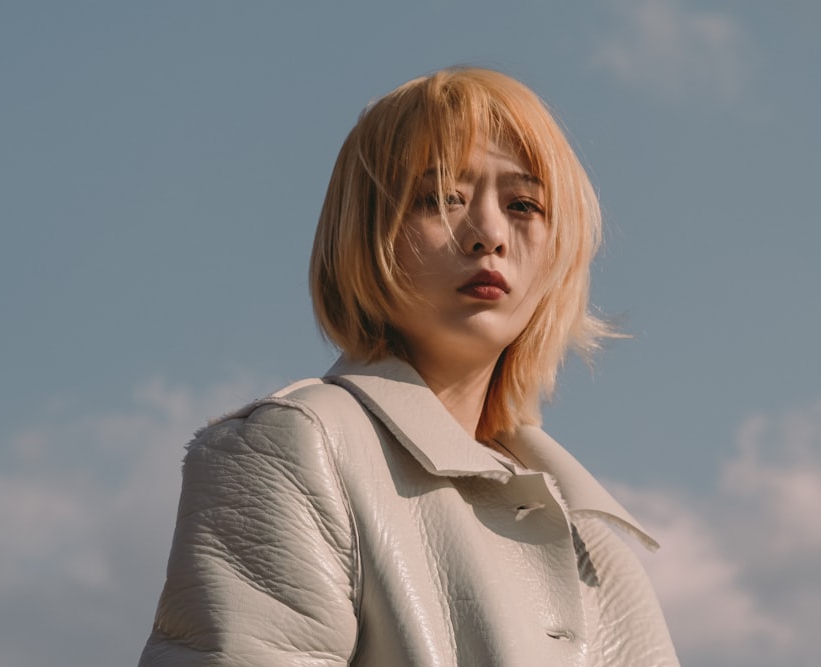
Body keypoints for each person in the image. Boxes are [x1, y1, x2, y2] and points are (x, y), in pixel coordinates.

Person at [139, 67, 680, 666]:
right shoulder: (295, 450)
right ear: (366, 230)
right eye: (441, 198)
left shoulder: (597, 554)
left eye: (525, 203)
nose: (489, 234)